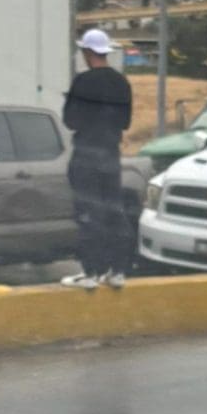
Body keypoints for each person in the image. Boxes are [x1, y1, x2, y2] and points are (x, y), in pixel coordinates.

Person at [60, 29, 133, 290]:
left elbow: (70, 121)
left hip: (86, 155)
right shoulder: (122, 83)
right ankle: (117, 272)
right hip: (110, 154)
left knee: (88, 213)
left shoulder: (82, 82)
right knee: (114, 211)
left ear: (88, 53)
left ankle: (91, 273)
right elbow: (125, 122)